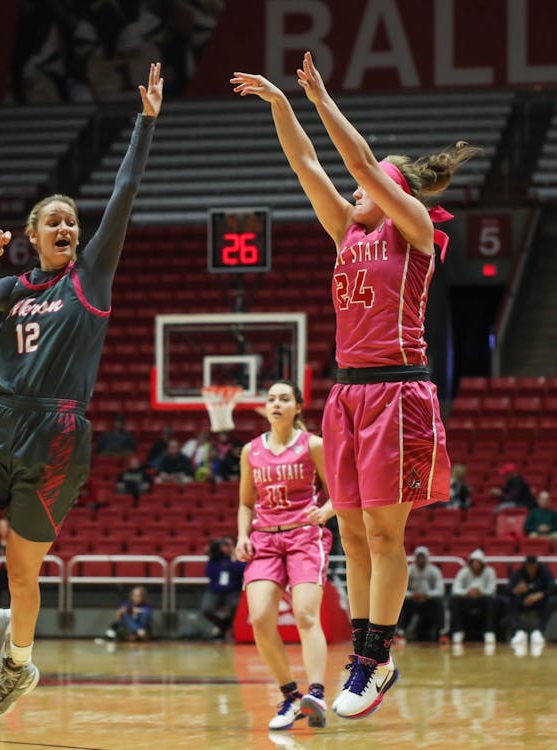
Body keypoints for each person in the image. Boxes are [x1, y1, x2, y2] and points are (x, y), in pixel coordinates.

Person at [233, 52, 478, 719]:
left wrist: (320, 98)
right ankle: (376, 659)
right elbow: (306, 165)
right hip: (347, 395)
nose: (360, 189)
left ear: (401, 194)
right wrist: (283, 105)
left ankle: (372, 656)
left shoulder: (417, 231)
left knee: (384, 533)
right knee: (352, 536)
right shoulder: (347, 228)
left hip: (399, 392)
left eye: (376, 185)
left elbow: (363, 163)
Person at [0, 62, 162, 722]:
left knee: (22, 570)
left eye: (70, 222)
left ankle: (18, 666)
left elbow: (124, 193)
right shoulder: (17, 288)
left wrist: (144, 122)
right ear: (32, 237)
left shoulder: (89, 280)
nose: (65, 227)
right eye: (51, 222)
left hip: (56, 434)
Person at [235, 380, 335, 731]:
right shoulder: (251, 451)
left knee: (306, 614)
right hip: (265, 540)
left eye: (284, 399)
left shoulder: (314, 445)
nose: (276, 404)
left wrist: (325, 512)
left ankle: (317, 694)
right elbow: (246, 503)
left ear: (297, 407)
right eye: (271, 399)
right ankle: (291, 697)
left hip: (305, 538)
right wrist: (242, 535)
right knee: (260, 618)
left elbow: (340, 492)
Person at [200, 536, 245, 641]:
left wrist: (234, 557)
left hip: (233, 591)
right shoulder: (215, 559)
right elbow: (208, 574)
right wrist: (212, 556)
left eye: (228, 545)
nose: (225, 547)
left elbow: (242, 571)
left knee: (236, 606)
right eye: (223, 545)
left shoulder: (238, 558)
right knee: (206, 609)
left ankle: (222, 629)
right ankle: (223, 627)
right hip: (214, 591)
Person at [449, 549, 497, 645]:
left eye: (478, 562)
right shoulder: (463, 571)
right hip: (467, 599)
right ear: (470, 563)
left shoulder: (490, 572)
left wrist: (481, 592)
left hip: (483, 599)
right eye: (474, 562)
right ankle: (458, 631)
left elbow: (492, 589)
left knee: (491, 600)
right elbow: (455, 588)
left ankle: (489, 632)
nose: (476, 565)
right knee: (454, 599)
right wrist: (467, 592)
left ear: (483, 564)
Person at [507, 555, 555, 654]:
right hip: (523, 601)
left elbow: (553, 587)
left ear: (537, 565)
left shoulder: (545, 572)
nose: (531, 568)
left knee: (552, 601)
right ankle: (518, 631)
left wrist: (539, 595)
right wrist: (515, 590)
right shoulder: (519, 573)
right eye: (529, 566)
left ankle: (539, 632)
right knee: (510, 599)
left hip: (540, 601)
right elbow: (508, 588)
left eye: (533, 565)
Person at [396, 546, 445, 642]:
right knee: (401, 602)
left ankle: (442, 634)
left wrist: (427, 595)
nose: (421, 559)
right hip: (412, 600)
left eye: (423, 557)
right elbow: (400, 589)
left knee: (438, 602)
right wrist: (411, 595)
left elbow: (440, 590)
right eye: (419, 557)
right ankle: (399, 633)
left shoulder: (434, 571)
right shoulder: (408, 570)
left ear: (427, 557)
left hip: (428, 601)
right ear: (415, 557)